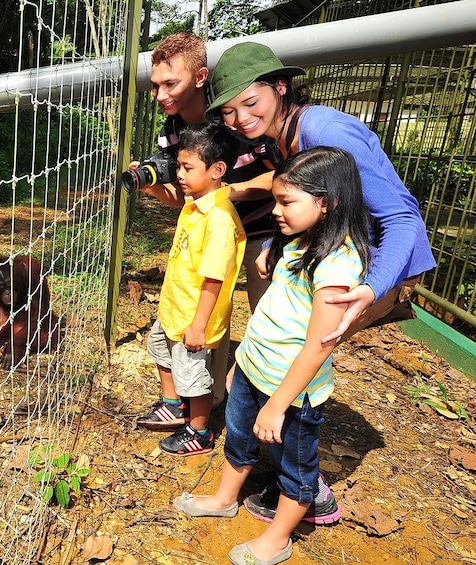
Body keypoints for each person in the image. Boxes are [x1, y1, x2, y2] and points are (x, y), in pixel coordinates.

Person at [172, 147, 372, 565]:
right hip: (253, 367)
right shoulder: (300, 239)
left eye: (286, 202)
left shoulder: (337, 263)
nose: (276, 211)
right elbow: (277, 309)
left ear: (327, 201)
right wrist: (241, 365)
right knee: (240, 438)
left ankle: (277, 537)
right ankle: (225, 498)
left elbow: (321, 343)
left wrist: (279, 404)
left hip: (291, 391)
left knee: (296, 468)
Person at [204, 41, 436, 344]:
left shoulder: (325, 132)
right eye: (228, 111)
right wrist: (272, 244)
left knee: (299, 351)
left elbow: (402, 218)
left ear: (281, 86)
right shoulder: (280, 135)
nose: (240, 119)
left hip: (383, 258)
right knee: (278, 343)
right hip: (342, 246)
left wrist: (372, 288)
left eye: (250, 103)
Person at [134, 33, 273, 423]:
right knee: (213, 321)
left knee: (267, 320)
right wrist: (151, 186)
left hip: (262, 232)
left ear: (200, 77)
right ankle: (210, 404)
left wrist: (232, 193)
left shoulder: (235, 115)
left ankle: (265, 415)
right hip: (210, 231)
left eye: (170, 84)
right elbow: (185, 199)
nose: (160, 95)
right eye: (156, 85)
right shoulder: (171, 132)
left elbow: (285, 175)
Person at [139, 122, 246, 456]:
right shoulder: (196, 199)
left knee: (193, 375)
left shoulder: (218, 218)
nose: (180, 175)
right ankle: (172, 404)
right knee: (159, 348)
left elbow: (214, 278)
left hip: (194, 317)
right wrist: (149, 186)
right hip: (176, 306)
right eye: (179, 166)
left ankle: (199, 430)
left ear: (217, 170)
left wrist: (199, 325)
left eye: (187, 168)